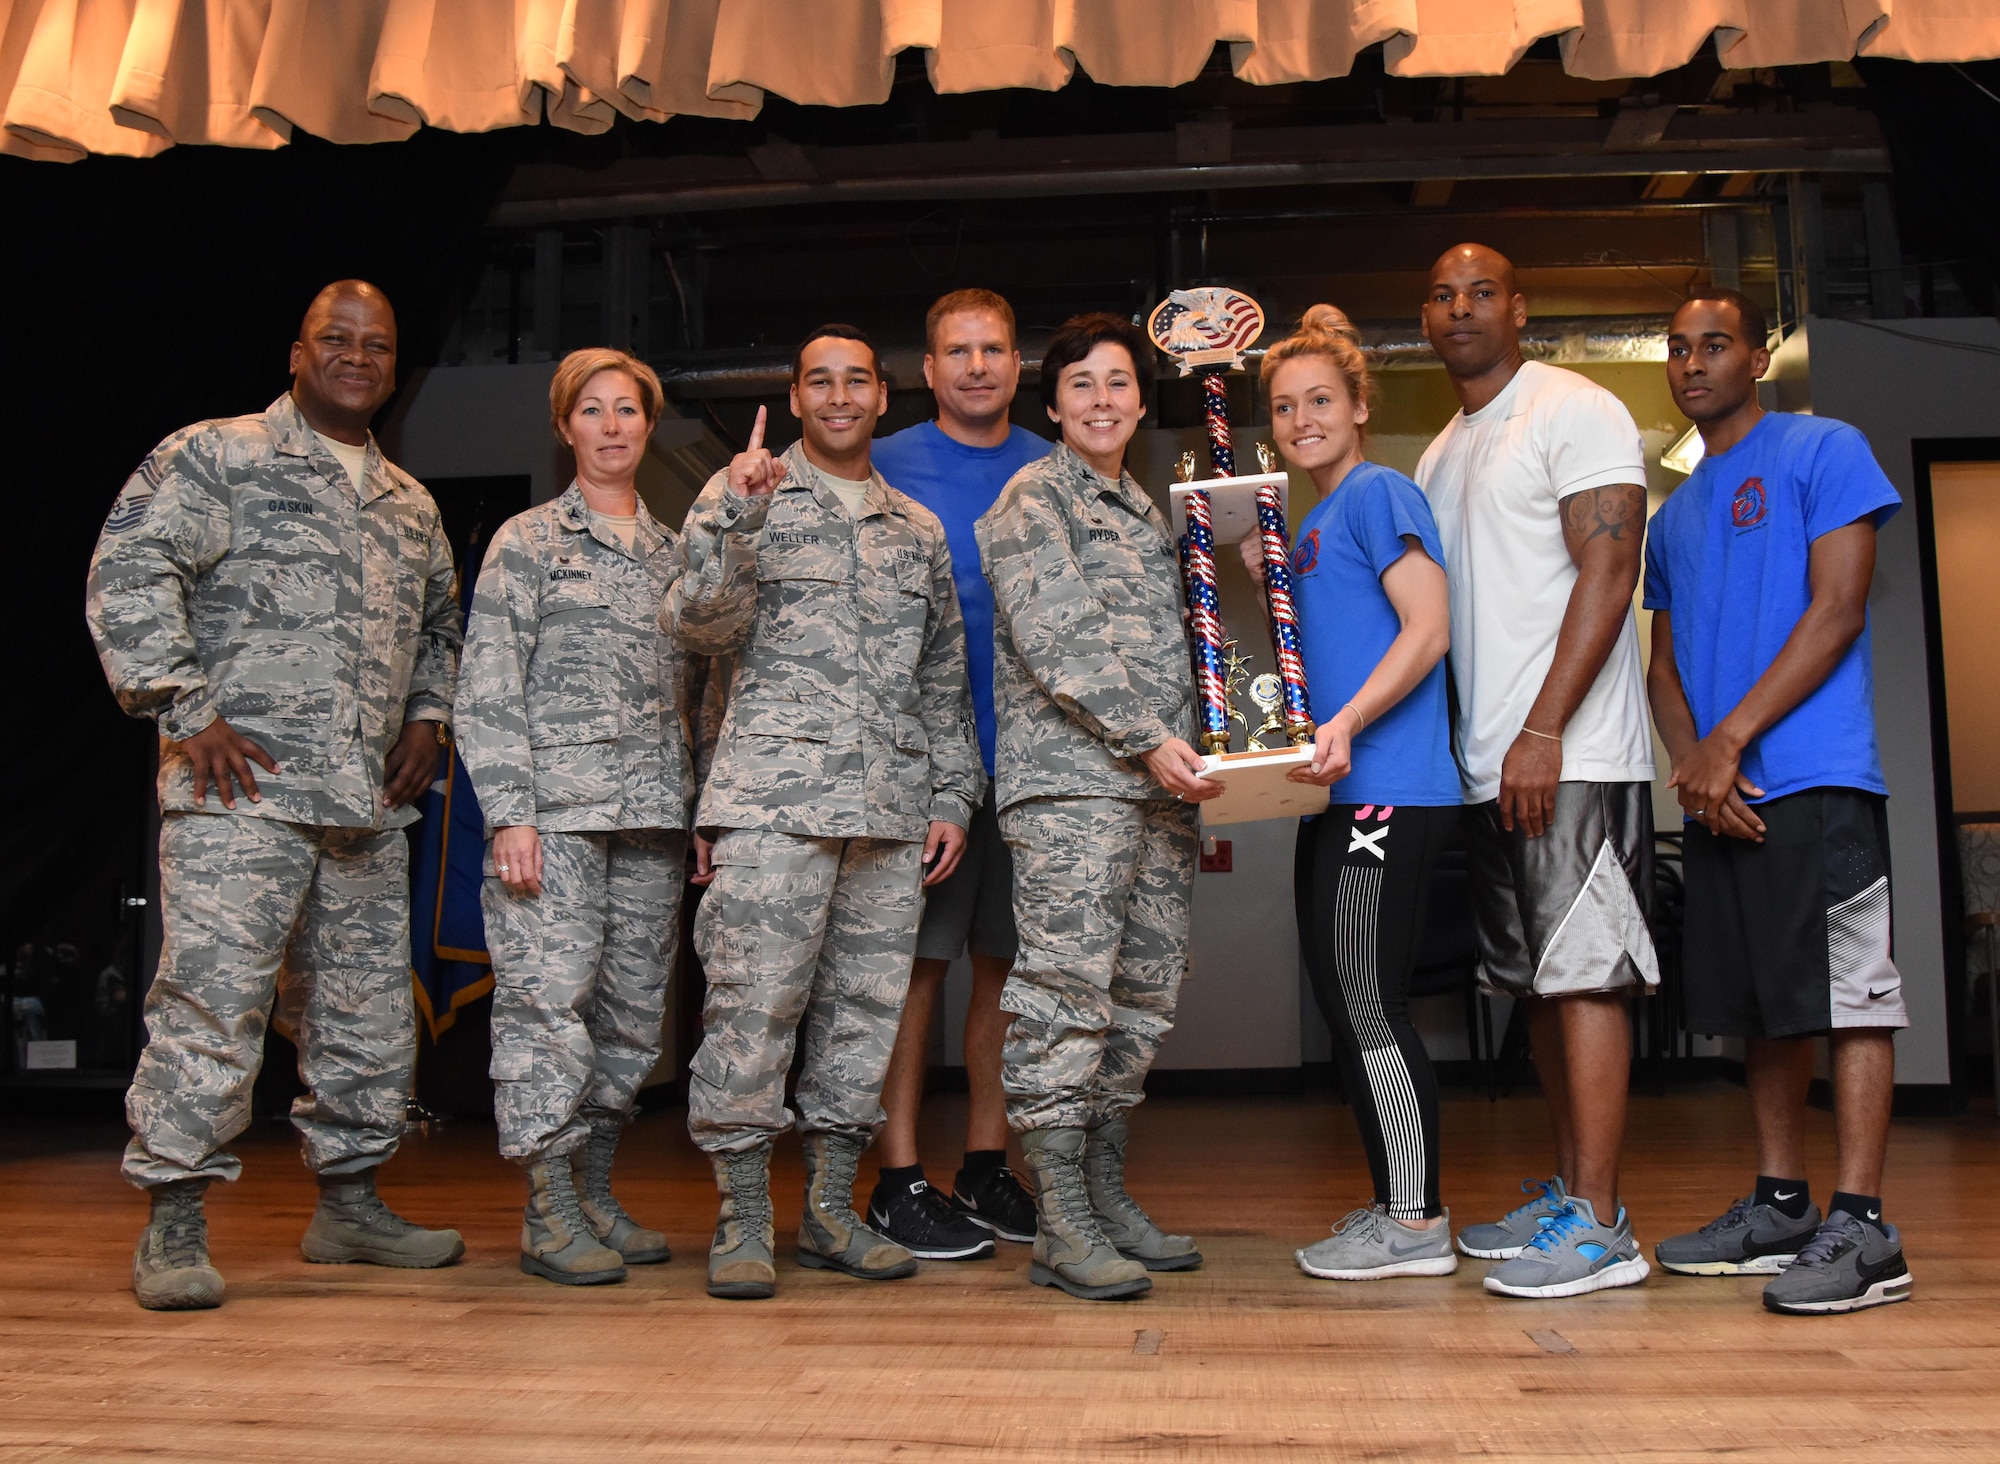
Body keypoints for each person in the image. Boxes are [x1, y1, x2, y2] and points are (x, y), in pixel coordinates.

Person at [86, 280, 466, 1311]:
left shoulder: (408, 503)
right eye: (336, 341)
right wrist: (180, 705)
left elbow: (440, 626)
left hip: (361, 804)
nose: (357, 357)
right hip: (236, 791)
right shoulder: (214, 454)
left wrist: (428, 719)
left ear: (393, 366)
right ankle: (173, 1221)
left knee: (366, 1016)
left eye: (377, 346)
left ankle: (348, 1205)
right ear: (297, 354)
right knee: (212, 1006)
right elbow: (131, 568)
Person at [666, 325, 982, 1301]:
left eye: (856, 381)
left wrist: (953, 795)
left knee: (863, 1024)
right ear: (795, 399)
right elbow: (695, 627)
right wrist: (740, 522)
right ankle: (743, 1216)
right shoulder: (742, 492)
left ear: (881, 400)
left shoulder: (914, 529)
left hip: (885, 817)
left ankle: (833, 1213)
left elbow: (941, 678)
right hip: (769, 807)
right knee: (750, 1015)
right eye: (819, 382)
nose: (839, 397)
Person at [1646, 290, 1912, 1314]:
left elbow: (1838, 607)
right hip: (1721, 792)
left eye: (1713, 345)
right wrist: (1693, 768)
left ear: (1755, 358)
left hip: (1817, 778)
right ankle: (1781, 1203)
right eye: (1676, 349)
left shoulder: (1821, 449)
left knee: (1849, 999)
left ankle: (1863, 1224)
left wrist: (1729, 740)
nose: (1691, 363)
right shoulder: (1671, 515)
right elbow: (1659, 666)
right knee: (1761, 1004)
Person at [1415, 245, 1659, 1299]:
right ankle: (1571, 1192)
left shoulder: (1574, 407)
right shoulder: (1436, 452)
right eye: (1440, 294)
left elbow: (1609, 567)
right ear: (1423, 319)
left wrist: (1544, 727)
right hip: (1489, 765)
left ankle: (1603, 1223)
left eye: (1479, 292)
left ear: (1519, 308)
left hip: (1570, 753)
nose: (1459, 307)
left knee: (1585, 978)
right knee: (1536, 988)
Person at [974, 311, 1222, 1302]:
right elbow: (1061, 639)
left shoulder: (1142, 511)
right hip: (1076, 787)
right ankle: (1060, 1218)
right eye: (1081, 385)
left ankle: (1104, 1192)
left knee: (1140, 1000)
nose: (1102, 400)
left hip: (1157, 793)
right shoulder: (1034, 497)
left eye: (1118, 382)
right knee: (1065, 997)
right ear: (1052, 406)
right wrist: (1148, 739)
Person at [454, 348, 693, 1287]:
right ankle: (548, 1209)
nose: (611, 426)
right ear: (565, 428)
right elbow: (487, 684)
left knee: (630, 1022)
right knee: (548, 1012)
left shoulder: (676, 555)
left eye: (627, 410)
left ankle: (594, 1191)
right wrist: (508, 812)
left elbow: (698, 692)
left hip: (649, 821)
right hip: (550, 822)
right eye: (591, 411)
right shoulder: (527, 541)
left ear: (647, 423)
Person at [1233, 306, 1460, 1281]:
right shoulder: (1313, 523)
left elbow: (1427, 630)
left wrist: (1350, 724)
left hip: (1388, 790)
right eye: (1284, 407)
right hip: (1333, 793)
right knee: (1344, 1000)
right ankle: (1391, 1204)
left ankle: (1414, 1223)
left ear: (1358, 406)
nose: (1302, 419)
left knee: (1369, 1002)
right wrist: (1266, 575)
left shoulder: (1378, 492)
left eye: (1319, 399)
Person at [865, 290, 1050, 1261]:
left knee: (1007, 973)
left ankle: (984, 1167)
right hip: (919, 771)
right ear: (927, 371)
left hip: (1029, 769)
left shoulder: (1051, 471)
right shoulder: (881, 465)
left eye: (993, 350)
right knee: (912, 973)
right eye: (956, 352)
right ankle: (896, 1180)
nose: (976, 366)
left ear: (1018, 366)